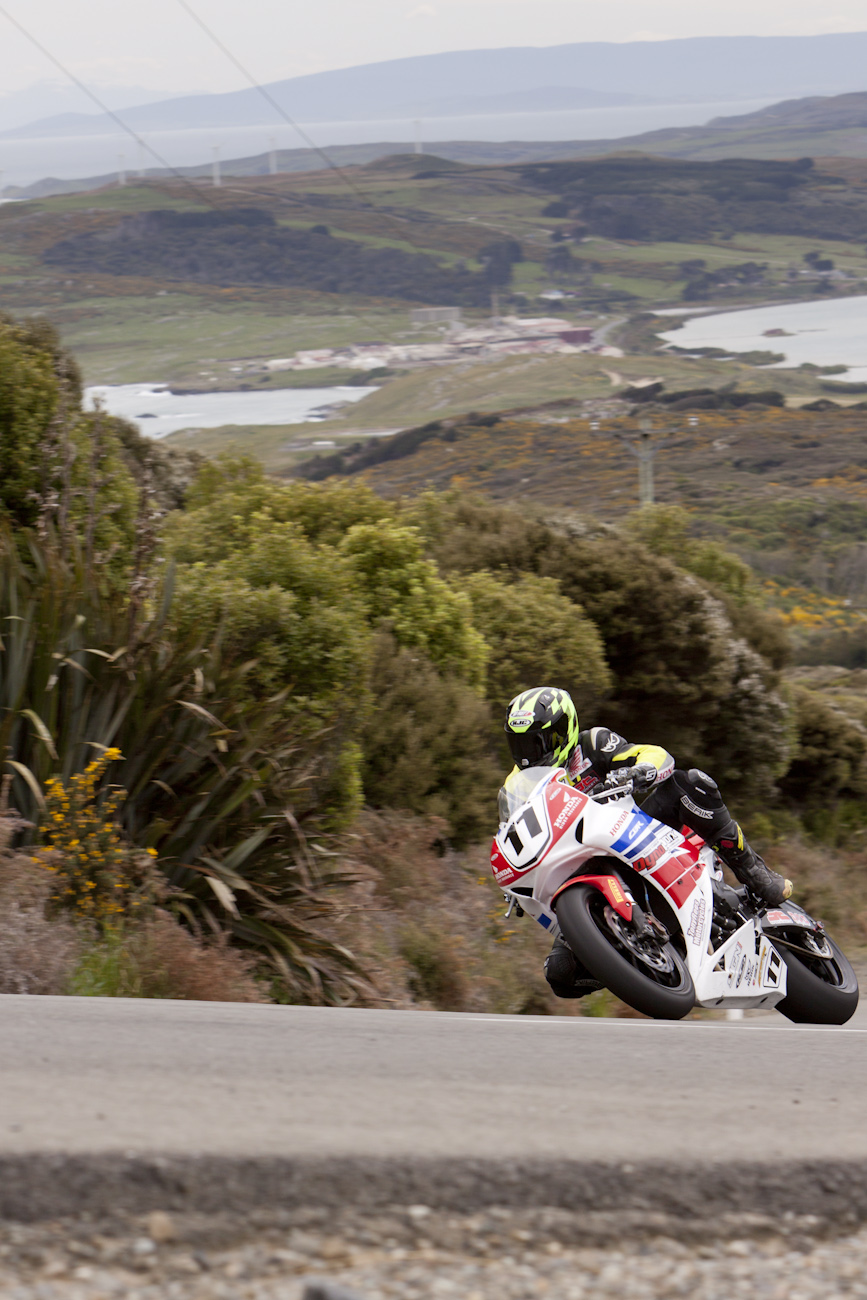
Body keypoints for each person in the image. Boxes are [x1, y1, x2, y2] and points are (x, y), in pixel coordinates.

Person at [503, 685, 793, 999]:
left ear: (566, 728)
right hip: (580, 867)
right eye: (520, 743)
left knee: (690, 783)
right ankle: (628, 960)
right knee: (561, 975)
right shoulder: (516, 785)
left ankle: (754, 871)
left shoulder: (593, 743)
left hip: (632, 832)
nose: (530, 752)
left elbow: (652, 753)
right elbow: (515, 833)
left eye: (541, 740)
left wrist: (641, 771)